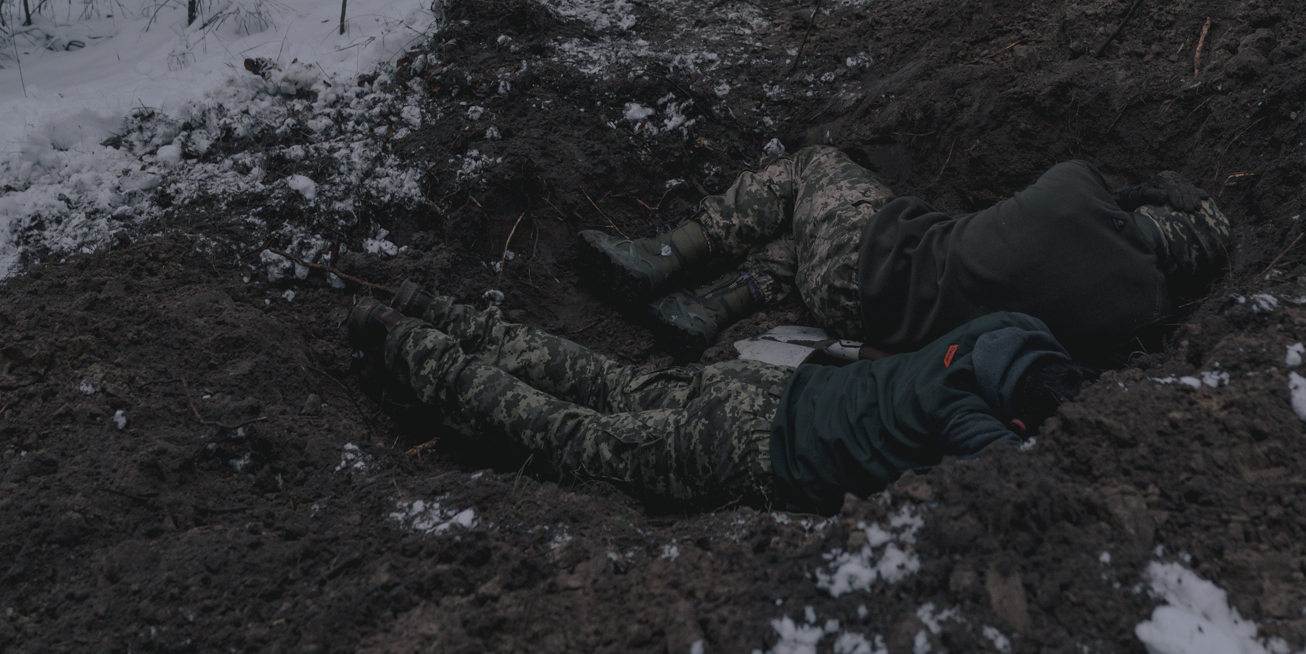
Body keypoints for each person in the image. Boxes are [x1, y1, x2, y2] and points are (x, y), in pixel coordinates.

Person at [346, 283, 1087, 514]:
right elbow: (1018, 492)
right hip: (741, 451)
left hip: (759, 384)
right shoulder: (967, 419)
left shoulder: (1014, 327)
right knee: (563, 431)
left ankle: (432, 309)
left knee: (601, 378)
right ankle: (404, 343)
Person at [580, 147, 1231, 363]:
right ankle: (711, 303)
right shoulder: (1139, 312)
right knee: (810, 242)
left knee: (816, 168)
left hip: (869, 260)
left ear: (1151, 215)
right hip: (879, 324)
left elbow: (1090, 191)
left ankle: (664, 252)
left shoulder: (1075, 191)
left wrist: (1142, 195)